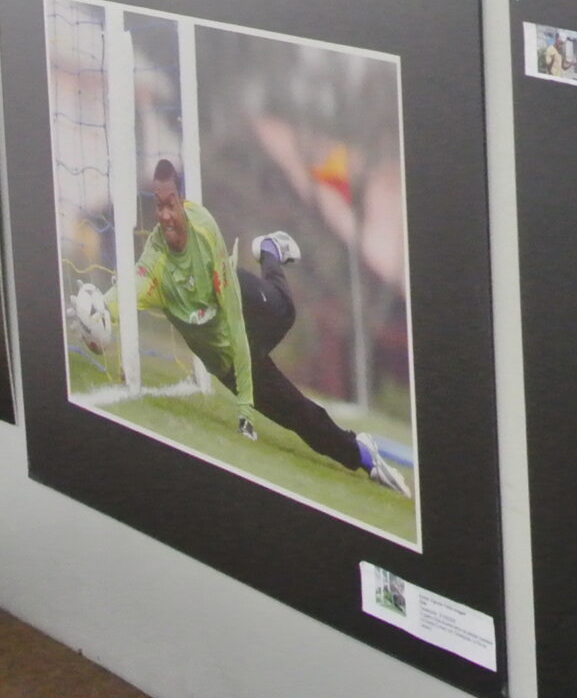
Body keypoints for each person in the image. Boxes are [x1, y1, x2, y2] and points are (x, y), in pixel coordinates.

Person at [114, 159, 409, 497]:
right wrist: (101, 311)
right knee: (295, 414)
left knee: (285, 313)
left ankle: (270, 250)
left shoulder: (201, 232)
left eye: (171, 204)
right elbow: (133, 289)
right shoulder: (156, 256)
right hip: (227, 350)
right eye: (159, 205)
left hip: (240, 303)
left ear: (183, 202)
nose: (165, 214)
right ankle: (361, 452)